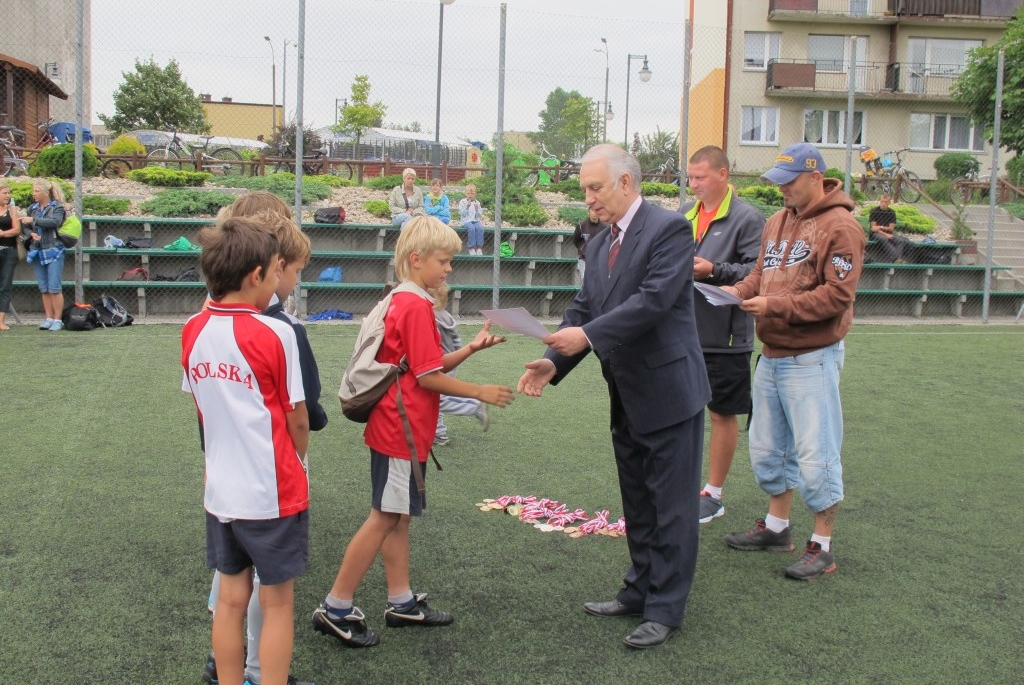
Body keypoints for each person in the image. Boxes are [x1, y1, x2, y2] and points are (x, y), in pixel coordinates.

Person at [517, 144, 710, 650]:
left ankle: (666, 608)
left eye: (595, 188)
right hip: (626, 392)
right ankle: (639, 590)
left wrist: (585, 338)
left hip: (669, 392)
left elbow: (654, 301)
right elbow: (583, 308)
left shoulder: (669, 229)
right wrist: (553, 362)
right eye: (585, 190)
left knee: (671, 504)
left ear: (626, 183)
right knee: (638, 500)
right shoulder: (600, 244)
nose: (589, 200)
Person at [311, 216, 514, 649]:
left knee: (397, 515)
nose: (449, 269)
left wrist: (470, 349)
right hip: (398, 429)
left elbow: (426, 365)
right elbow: (427, 378)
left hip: (400, 428)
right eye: (444, 260)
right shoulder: (417, 305)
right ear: (416, 258)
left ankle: (400, 601)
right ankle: (336, 606)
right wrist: (479, 391)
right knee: (385, 516)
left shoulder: (403, 298)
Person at [719, 142, 865, 581]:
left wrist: (774, 306)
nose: (781, 190)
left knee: (815, 454)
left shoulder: (842, 227)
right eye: (776, 182)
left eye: (789, 182)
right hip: (772, 355)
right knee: (768, 448)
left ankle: (822, 545)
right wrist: (738, 293)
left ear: (815, 177)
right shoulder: (778, 220)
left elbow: (838, 296)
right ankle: (777, 527)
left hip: (812, 357)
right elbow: (760, 273)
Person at [182, 213, 311, 685]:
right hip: (271, 489)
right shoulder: (277, 332)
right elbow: (297, 416)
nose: (280, 280)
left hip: (221, 490)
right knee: (277, 602)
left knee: (230, 599)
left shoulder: (192, 329)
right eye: (278, 270)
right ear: (257, 275)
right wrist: (298, 462)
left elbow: (203, 410)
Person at [680, 146, 764, 524]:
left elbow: (755, 272)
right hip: (685, 332)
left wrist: (713, 269)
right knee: (683, 411)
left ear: (723, 175)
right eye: (690, 177)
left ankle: (713, 493)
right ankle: (683, 485)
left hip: (726, 337)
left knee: (721, 414)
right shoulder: (686, 215)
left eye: (700, 177)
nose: (693, 184)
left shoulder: (747, 218)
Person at [431, 283, 490, 446]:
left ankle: (475, 406)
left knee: (438, 400)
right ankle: (439, 433)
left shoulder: (430, 316)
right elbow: (457, 340)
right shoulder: (448, 317)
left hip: (439, 365)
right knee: (435, 399)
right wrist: (458, 354)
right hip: (452, 362)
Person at [20, 179, 68, 331]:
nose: (33, 194)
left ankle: (57, 319)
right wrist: (31, 233)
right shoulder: (32, 208)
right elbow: (25, 228)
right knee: (44, 287)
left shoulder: (57, 207)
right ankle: (48, 317)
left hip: (54, 250)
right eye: (33, 191)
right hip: (37, 251)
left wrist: (34, 220)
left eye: (36, 191)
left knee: (54, 286)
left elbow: (54, 223)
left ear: (45, 193)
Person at [0, 181, 21, 331]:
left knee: (5, 285)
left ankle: (1, 321)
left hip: (9, 251)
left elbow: (16, 229)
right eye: (4, 193)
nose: (7, 196)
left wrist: (2, 233)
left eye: (9, 193)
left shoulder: (12, 210)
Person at [868, 194, 910, 263]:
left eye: (885, 202)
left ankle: (897, 260)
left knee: (900, 240)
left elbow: (891, 228)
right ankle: (897, 259)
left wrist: (880, 227)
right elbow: (874, 228)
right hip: (876, 233)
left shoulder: (891, 212)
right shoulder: (874, 211)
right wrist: (885, 233)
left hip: (888, 232)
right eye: (882, 202)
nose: (883, 204)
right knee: (884, 239)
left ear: (889, 203)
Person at [572, 208, 607, 281]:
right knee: (585, 280)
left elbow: (606, 242)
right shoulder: (581, 225)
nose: (594, 213)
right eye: (592, 211)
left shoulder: (604, 227)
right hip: (584, 258)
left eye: (596, 211)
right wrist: (583, 249)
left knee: (597, 281)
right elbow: (576, 240)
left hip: (598, 259)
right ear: (589, 212)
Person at [458, 183, 485, 255]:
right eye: (468, 193)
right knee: (472, 228)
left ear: (475, 194)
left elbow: (478, 216)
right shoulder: (463, 202)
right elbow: (462, 214)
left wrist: (476, 210)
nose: (470, 195)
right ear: (465, 193)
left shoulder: (477, 203)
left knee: (480, 228)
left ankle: (479, 248)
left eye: (472, 193)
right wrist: (467, 207)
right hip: (466, 221)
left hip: (475, 221)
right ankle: (471, 248)